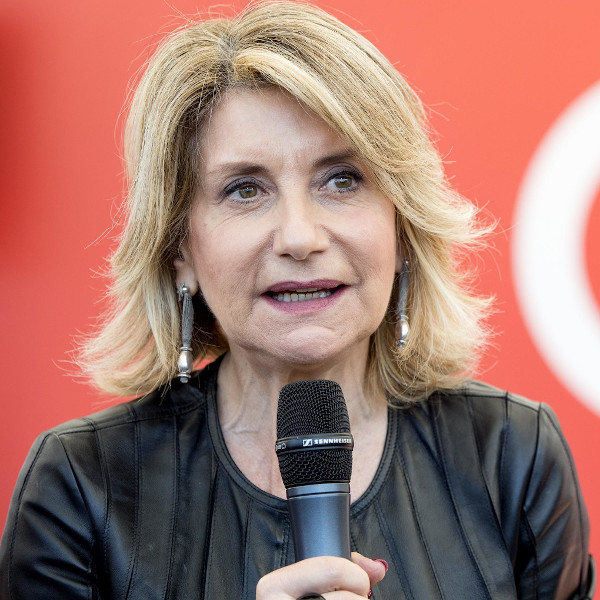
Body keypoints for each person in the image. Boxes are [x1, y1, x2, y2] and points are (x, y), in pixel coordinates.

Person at [0, 2, 594, 598]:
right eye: (246, 189)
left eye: (341, 180)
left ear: (403, 229)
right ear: (179, 249)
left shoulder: (514, 452)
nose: (301, 237)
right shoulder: (80, 484)